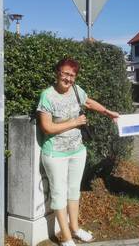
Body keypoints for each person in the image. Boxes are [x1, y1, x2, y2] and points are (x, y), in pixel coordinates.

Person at [37, 58, 119, 246]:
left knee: (74, 191)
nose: (68, 78)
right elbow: (47, 127)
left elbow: (88, 103)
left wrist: (108, 112)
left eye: (72, 75)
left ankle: (74, 229)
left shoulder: (76, 90)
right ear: (57, 72)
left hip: (77, 151)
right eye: (65, 73)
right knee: (59, 193)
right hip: (55, 154)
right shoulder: (47, 96)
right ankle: (65, 238)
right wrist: (74, 122)